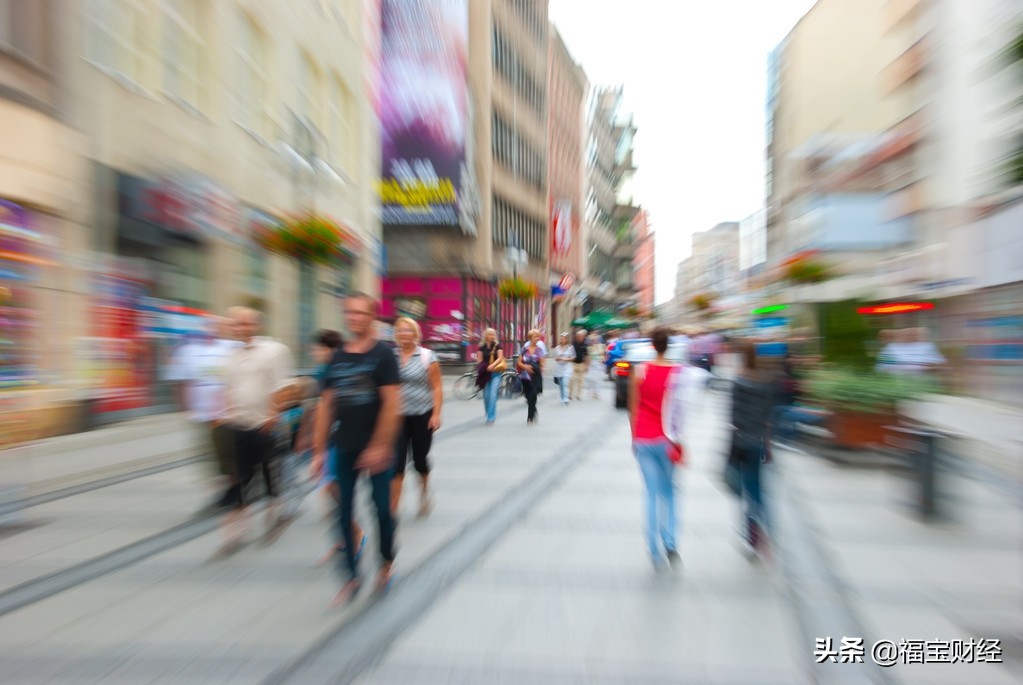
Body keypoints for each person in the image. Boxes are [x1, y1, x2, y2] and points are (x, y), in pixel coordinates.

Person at [313, 293, 401, 605]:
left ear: (372, 317)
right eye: (349, 313)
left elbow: (392, 404)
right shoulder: (337, 357)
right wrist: (319, 451)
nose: (354, 318)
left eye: (361, 313)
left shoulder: (384, 355)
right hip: (345, 446)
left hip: (377, 448)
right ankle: (351, 577)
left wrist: (379, 445)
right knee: (342, 512)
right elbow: (327, 406)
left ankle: (386, 562)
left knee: (381, 510)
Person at [628, 327, 708, 571]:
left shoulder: (639, 371)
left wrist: (634, 438)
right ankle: (671, 542)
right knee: (671, 492)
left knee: (651, 494)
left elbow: (633, 408)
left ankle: (653, 549)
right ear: (669, 346)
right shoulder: (679, 373)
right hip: (668, 439)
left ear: (652, 345)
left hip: (643, 437)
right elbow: (684, 410)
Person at [219, 307, 295, 554]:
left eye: (245, 324)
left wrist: (274, 416)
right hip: (239, 424)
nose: (240, 328)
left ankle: (275, 515)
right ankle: (237, 531)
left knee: (269, 474)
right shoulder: (232, 356)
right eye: (236, 324)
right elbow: (229, 388)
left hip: (265, 425)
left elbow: (285, 386)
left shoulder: (273, 351)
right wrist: (227, 414)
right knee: (240, 478)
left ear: (257, 325)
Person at [165, 316, 242, 512]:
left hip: (226, 414)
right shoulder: (189, 350)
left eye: (217, 326)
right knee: (208, 456)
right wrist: (184, 408)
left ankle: (234, 491)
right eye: (208, 326)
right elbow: (180, 381)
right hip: (201, 413)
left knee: (227, 454)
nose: (212, 330)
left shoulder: (232, 347)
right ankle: (223, 492)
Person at [307, 330, 365, 567]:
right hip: (328, 438)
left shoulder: (336, 370)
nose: (314, 352)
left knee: (333, 488)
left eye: (319, 348)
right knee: (331, 489)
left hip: (337, 439)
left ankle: (355, 533)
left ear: (330, 350)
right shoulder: (325, 371)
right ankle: (346, 536)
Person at [391, 317, 443, 519]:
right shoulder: (390, 356)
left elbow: (437, 387)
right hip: (396, 417)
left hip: (423, 415)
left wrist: (436, 414)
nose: (404, 333)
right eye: (401, 330)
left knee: (420, 459)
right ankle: (393, 504)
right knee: (396, 461)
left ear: (415, 333)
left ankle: (424, 493)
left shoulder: (427, 356)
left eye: (408, 330)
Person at [730, 340, 776, 558]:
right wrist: (768, 446)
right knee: (759, 489)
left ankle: (752, 538)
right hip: (758, 442)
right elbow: (768, 418)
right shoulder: (766, 382)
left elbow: (733, 417)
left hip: (741, 442)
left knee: (747, 491)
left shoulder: (738, 382)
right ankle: (765, 530)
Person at [476, 328, 506, 425]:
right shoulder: (481, 347)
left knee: (493, 395)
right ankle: (488, 411)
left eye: (493, 334)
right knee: (486, 396)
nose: (492, 336)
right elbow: (480, 361)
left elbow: (500, 357)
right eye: (490, 334)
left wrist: (493, 365)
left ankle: (491, 417)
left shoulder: (498, 346)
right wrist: (485, 367)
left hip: (495, 373)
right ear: (486, 335)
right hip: (485, 373)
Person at [518, 329, 546, 425]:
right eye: (535, 337)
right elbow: (518, 362)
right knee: (527, 395)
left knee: (533, 395)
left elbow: (542, 363)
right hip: (524, 376)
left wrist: (540, 370)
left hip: (535, 377)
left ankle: (530, 417)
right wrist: (525, 367)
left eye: (538, 336)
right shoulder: (524, 349)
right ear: (530, 338)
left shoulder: (540, 350)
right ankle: (534, 410)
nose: (537, 338)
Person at [552, 333, 575, 405]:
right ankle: (562, 397)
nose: (562, 340)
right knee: (561, 384)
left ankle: (566, 398)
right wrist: (560, 358)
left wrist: (566, 359)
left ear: (567, 339)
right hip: (559, 368)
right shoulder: (557, 348)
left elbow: (573, 357)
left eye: (564, 338)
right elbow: (556, 358)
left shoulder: (570, 347)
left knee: (565, 383)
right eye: (561, 338)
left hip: (567, 368)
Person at [570, 329, 589, 401]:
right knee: (571, 379)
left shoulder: (585, 345)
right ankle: (570, 394)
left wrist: (586, 365)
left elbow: (587, 356)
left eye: (581, 337)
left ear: (583, 337)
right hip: (573, 363)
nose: (580, 338)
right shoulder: (573, 344)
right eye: (578, 336)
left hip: (582, 364)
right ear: (576, 337)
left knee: (581, 381)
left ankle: (579, 395)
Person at [586, 333, 605, 400]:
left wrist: (602, 359)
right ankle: (592, 392)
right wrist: (587, 365)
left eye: (595, 340)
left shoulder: (601, 346)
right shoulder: (589, 348)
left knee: (598, 379)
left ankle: (597, 393)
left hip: (599, 364)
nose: (594, 341)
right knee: (592, 379)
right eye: (592, 340)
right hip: (592, 364)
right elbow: (588, 356)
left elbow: (604, 353)